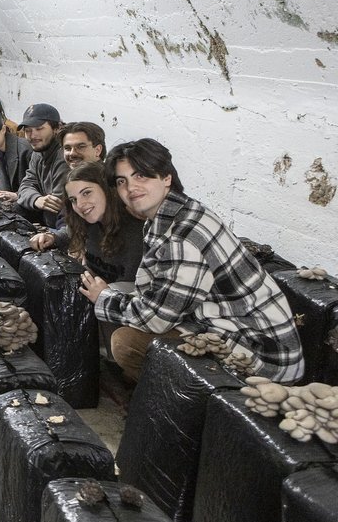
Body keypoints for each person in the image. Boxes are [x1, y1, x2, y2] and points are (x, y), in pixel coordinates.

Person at [79, 139, 303, 383]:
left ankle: (180, 406)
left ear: (166, 177)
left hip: (262, 357)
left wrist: (104, 298)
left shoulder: (183, 238)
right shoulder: (172, 212)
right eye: (122, 181)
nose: (131, 187)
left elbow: (156, 318)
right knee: (127, 309)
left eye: (141, 175)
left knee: (126, 342)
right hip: (222, 323)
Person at [28, 162, 144, 284]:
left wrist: (105, 295)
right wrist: (52, 238)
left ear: (107, 189)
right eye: (73, 199)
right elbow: (69, 233)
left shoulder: (138, 230)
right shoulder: (86, 220)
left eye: (86, 193)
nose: (80, 205)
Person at [15, 103, 68, 227]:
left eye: (39, 129)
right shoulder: (38, 151)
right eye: (28, 131)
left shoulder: (63, 156)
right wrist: (36, 199)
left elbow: (54, 206)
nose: (33, 136)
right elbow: (26, 185)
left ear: (56, 128)